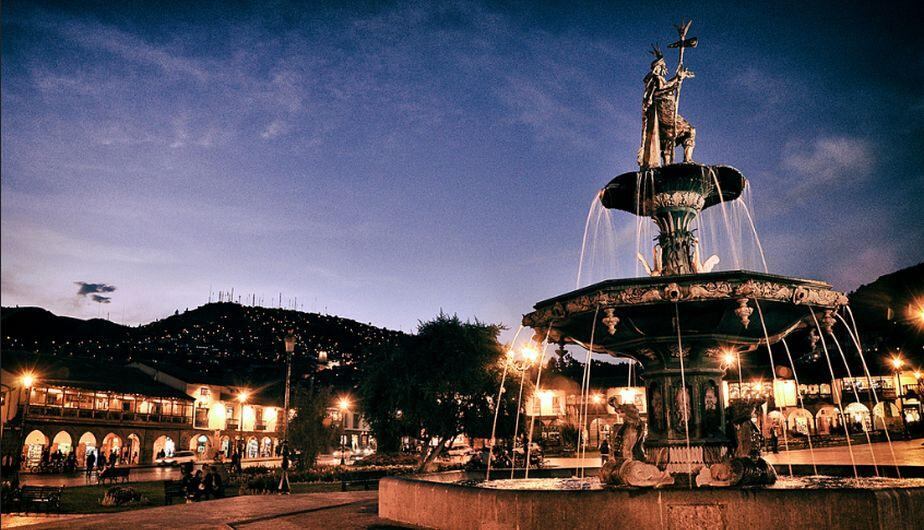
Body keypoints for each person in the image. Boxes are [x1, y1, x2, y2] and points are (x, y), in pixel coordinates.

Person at [638, 45, 696, 167]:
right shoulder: (656, 78)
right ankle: (687, 159)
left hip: (666, 112)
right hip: (665, 113)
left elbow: (666, 85)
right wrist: (677, 81)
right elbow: (661, 89)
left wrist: (678, 78)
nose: (665, 68)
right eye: (663, 66)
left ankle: (668, 164)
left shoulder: (657, 79)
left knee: (669, 138)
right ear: (659, 67)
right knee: (690, 130)